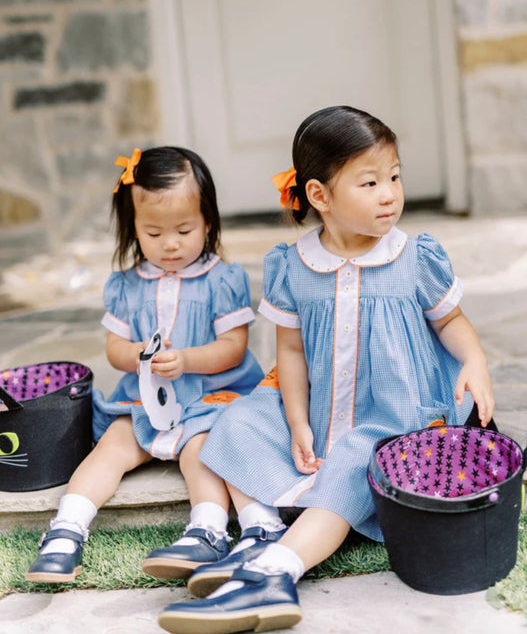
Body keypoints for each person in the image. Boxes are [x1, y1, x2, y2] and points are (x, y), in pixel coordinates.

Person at [157, 106, 495, 634]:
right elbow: (291, 352)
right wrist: (296, 422)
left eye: (394, 177)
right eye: (370, 183)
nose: (390, 194)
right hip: (317, 406)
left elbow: (450, 319)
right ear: (319, 195)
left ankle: (275, 573)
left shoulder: (413, 257)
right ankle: (260, 529)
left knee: (358, 464)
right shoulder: (293, 265)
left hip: (393, 416)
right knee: (237, 422)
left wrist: (474, 361)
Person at [25, 146, 264, 583]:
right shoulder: (127, 286)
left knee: (202, 450)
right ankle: (66, 530)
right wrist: (137, 354)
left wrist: (188, 359)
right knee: (111, 446)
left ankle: (208, 530)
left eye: (184, 229)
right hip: (144, 400)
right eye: (153, 232)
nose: (170, 243)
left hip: (209, 399)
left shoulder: (221, 280)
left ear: (208, 222)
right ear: (133, 229)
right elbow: (114, 348)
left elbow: (233, 347)